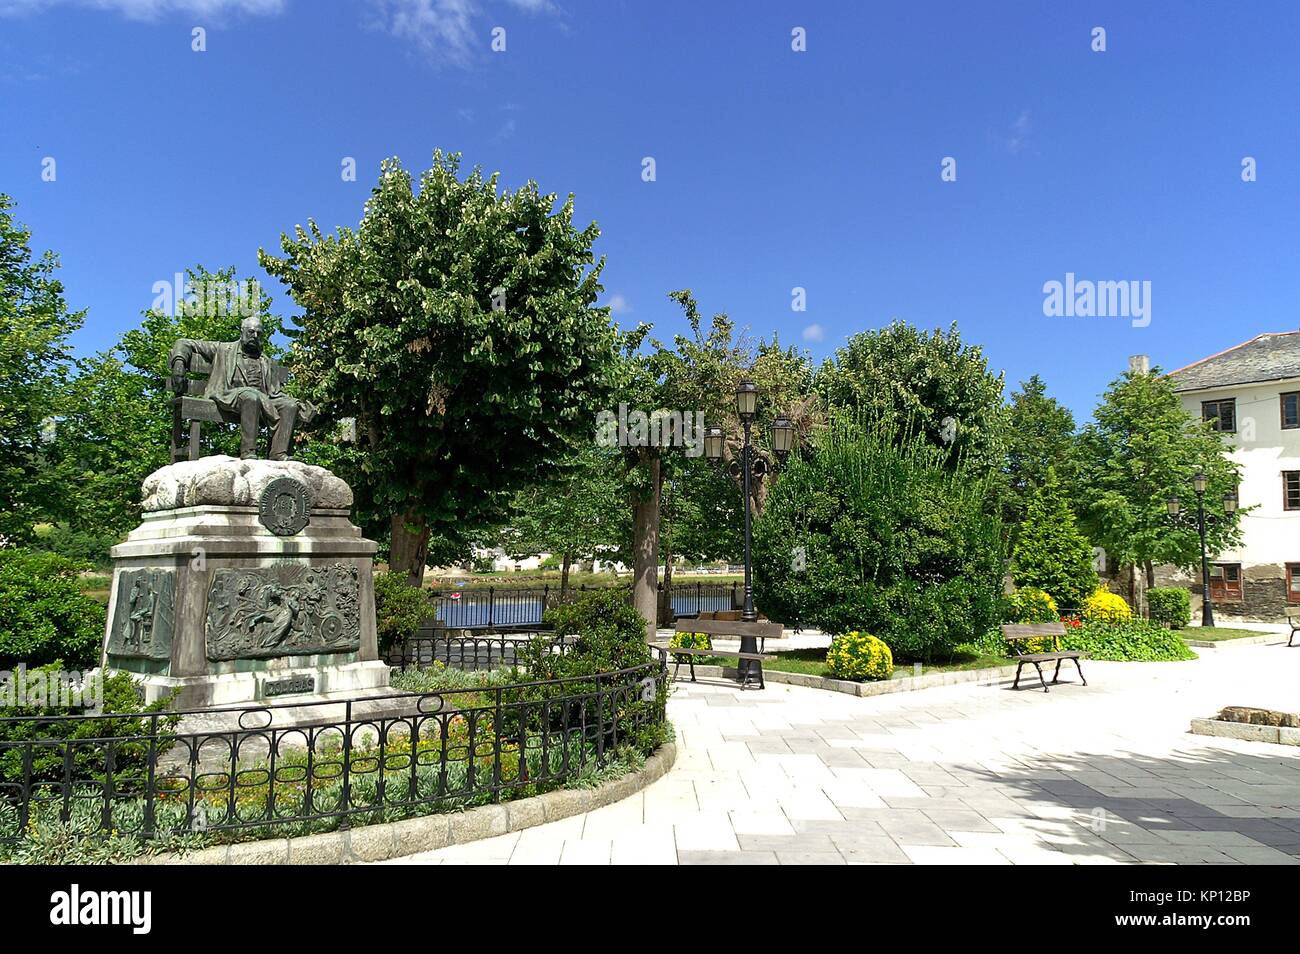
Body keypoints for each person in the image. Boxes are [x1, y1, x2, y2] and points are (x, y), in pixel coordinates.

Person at [169, 316, 315, 460]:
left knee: (289, 406)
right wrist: (179, 365)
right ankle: (248, 452)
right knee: (251, 396)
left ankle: (278, 454)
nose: (255, 336)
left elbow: (275, 393)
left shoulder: (265, 361)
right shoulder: (223, 349)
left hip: (263, 400)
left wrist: (298, 404)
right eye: (251, 332)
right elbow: (183, 343)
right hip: (229, 395)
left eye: (259, 333)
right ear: (242, 331)